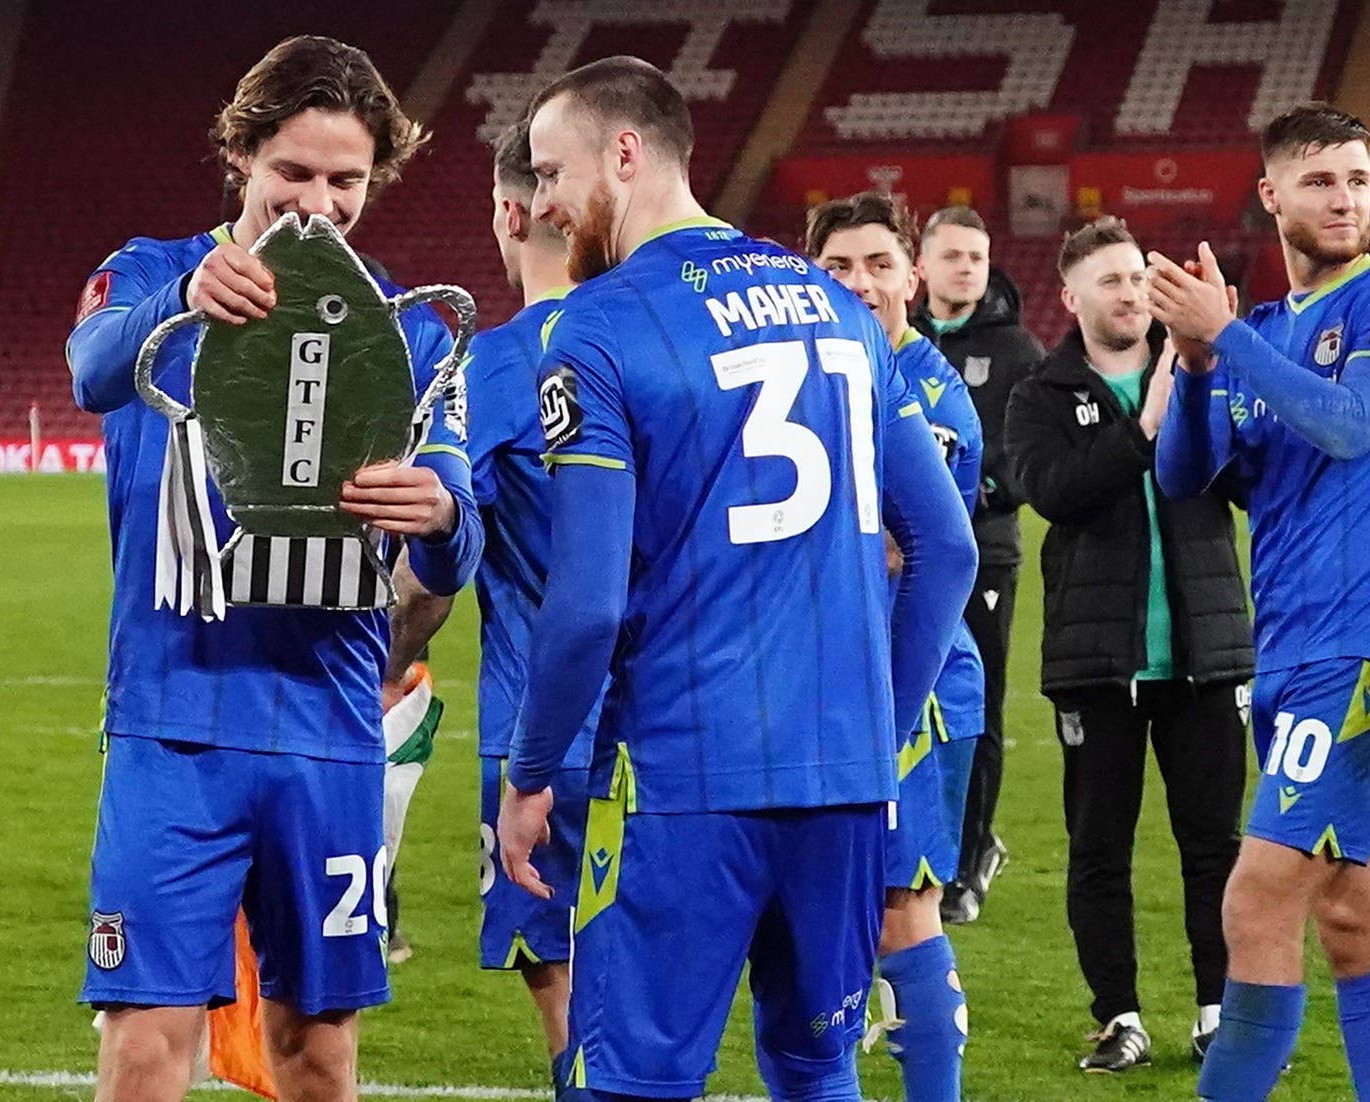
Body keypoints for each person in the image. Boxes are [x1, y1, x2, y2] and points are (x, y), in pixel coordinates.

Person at [496, 56, 977, 1102]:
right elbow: (947, 547)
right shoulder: (842, 310)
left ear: (624, 154)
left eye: (549, 171)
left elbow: (582, 601)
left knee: (629, 1076)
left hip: (683, 778)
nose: (540, 205)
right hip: (843, 787)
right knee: (814, 1065)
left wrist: (531, 773)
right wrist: (878, 731)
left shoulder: (598, 326)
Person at [66, 36, 483, 1102]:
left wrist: (435, 510)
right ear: (241, 154)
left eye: (347, 178)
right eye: (294, 171)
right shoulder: (158, 271)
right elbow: (93, 369)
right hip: (174, 718)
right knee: (147, 1035)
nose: (323, 200)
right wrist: (187, 303)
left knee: (317, 1046)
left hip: (328, 725)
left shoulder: (410, 329)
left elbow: (458, 527)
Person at [1148, 103, 1370, 1102]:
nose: (1347, 199)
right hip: (1286, 658)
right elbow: (1187, 474)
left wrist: (1223, 334)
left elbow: (1350, 421)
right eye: (1322, 180)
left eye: (1359, 179)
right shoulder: (1268, 333)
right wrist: (1196, 366)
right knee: (1355, 920)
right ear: (1271, 193)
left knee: (1255, 903)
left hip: (1363, 650)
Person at [375, 119, 593, 1098]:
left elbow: (432, 574)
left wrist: (381, 665)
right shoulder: (673, 341)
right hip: (698, 725)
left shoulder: (493, 371)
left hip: (544, 736)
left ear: (512, 210)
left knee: (564, 979)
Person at [1005, 216, 1254, 1073]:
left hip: (1208, 655)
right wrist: (1143, 427)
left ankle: (1220, 1012)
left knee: (1213, 846)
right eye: (1107, 281)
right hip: (1095, 663)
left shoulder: (1194, 373)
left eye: (1136, 278)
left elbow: (1248, 485)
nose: (1127, 294)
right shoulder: (1039, 393)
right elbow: (1053, 492)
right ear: (1069, 297)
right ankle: (1119, 1018)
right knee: (1098, 848)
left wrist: (1209, 386)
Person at [806, 190, 982, 1102]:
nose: (861, 282)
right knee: (844, 911)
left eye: (878, 263)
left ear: (912, 275)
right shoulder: (836, 374)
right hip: (840, 682)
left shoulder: (922, 388)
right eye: (838, 265)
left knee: (898, 909)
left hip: (909, 683)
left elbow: (905, 547)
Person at [913, 207, 1044, 924]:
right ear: (923, 265)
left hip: (981, 550)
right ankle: (914, 846)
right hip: (899, 554)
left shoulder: (1017, 350)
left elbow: (1026, 452)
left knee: (977, 705)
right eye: (954, 255)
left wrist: (980, 488)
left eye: (977, 256)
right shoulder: (898, 339)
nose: (967, 267)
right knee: (904, 698)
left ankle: (969, 859)